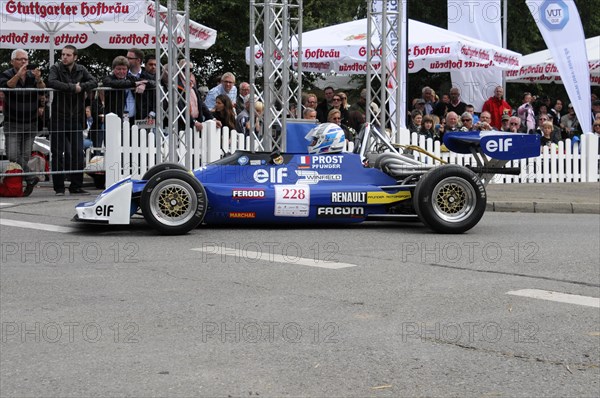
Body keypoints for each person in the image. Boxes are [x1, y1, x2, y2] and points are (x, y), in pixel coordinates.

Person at [47, 45, 97, 195]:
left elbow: (94, 81)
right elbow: (52, 82)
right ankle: (59, 187)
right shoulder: (55, 68)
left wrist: (81, 87)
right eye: (63, 54)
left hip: (76, 116)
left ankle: (76, 186)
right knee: (58, 153)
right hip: (59, 116)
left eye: (68, 55)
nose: (64, 57)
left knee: (77, 152)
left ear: (75, 57)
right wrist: (71, 88)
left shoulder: (81, 69)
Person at [0, 48, 46, 195]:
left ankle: (24, 183)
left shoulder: (32, 76)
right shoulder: (7, 74)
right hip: (13, 121)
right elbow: (8, 86)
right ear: (12, 61)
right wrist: (18, 74)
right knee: (13, 155)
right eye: (20, 59)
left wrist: (38, 78)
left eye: (26, 60)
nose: (24, 62)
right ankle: (31, 177)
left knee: (25, 156)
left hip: (30, 121)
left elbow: (42, 90)